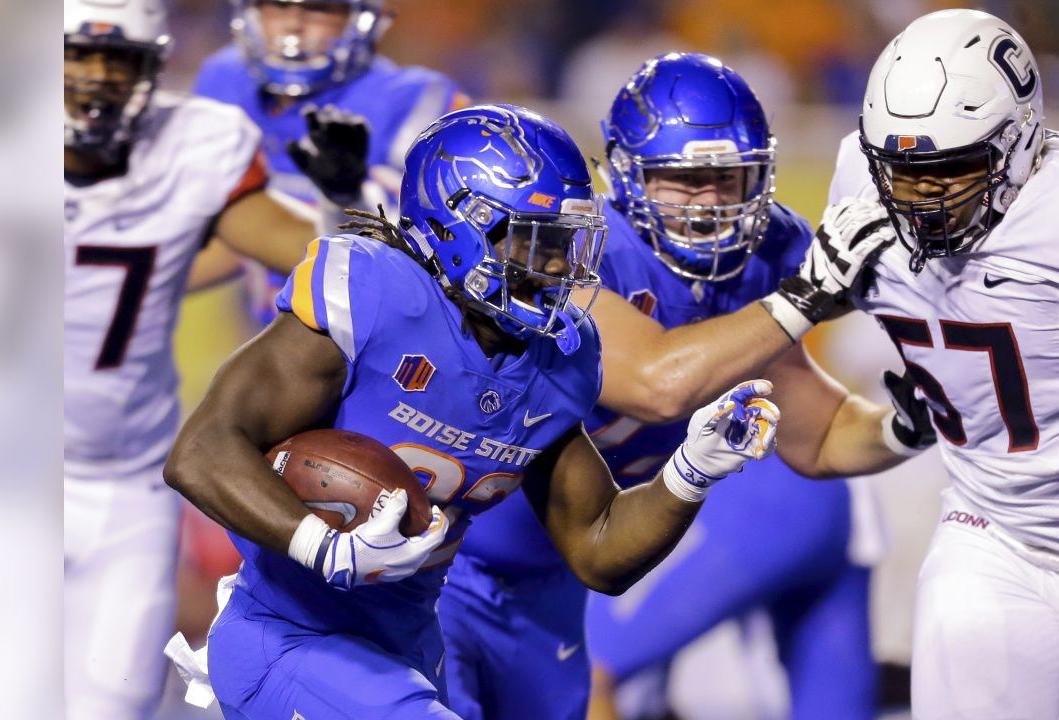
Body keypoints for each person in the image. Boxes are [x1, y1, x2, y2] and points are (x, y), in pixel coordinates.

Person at [161, 104, 781, 720]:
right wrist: (322, 546)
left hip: (404, 645)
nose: (561, 266)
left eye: (566, 243)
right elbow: (202, 449)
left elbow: (599, 548)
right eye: (537, 243)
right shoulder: (377, 296)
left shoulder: (558, 356)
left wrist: (690, 471)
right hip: (290, 634)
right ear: (461, 226)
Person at [438, 53, 936, 720]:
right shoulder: (574, 249)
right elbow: (656, 383)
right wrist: (805, 298)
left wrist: (902, 427)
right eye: (681, 180)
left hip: (567, 575)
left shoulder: (758, 265)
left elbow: (815, 437)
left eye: (725, 178)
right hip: (453, 563)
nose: (706, 202)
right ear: (626, 175)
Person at [63, 0, 367, 716]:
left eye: (119, 60)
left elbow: (329, 265)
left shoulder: (192, 145)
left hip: (119, 484)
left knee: (110, 702)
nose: (98, 79)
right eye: (79, 56)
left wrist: (340, 202)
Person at [815, 9, 1059, 719]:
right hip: (997, 538)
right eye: (904, 170)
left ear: (1021, 140)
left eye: (954, 167)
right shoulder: (857, 176)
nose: (924, 194)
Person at [190, 0, 469, 317]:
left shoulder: (416, 100)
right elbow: (222, 231)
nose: (293, 23)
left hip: (379, 332)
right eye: (278, 6)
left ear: (363, 18)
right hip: (274, 327)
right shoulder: (224, 79)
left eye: (319, 8)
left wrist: (348, 197)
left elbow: (422, 262)